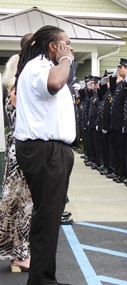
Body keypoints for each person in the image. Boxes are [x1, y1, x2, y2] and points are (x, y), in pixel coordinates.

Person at [14, 25, 76, 285]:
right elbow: (54, 84)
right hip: (44, 150)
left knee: (49, 216)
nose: (70, 48)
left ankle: (43, 278)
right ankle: (41, 280)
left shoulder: (43, 66)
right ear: (53, 46)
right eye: (66, 43)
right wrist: (66, 60)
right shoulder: (39, 67)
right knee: (47, 217)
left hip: (51, 150)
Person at [0, 54, 32, 272]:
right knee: (23, 204)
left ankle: (17, 254)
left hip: (15, 151)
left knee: (16, 203)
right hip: (21, 152)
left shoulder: (13, 88)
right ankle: (20, 255)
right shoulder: (18, 90)